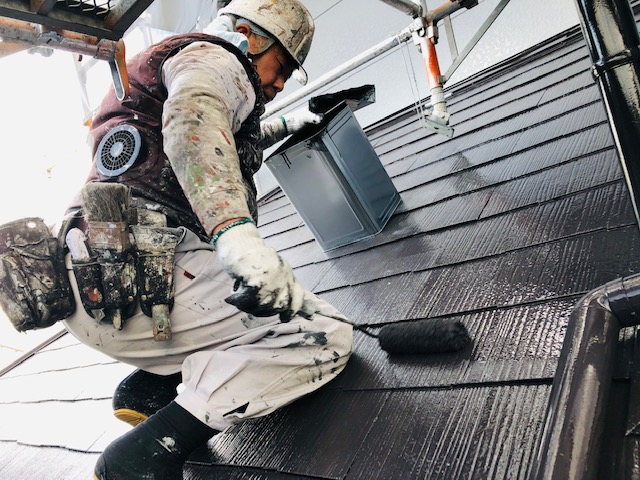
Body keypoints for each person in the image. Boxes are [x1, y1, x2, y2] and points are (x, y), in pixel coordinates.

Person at [57, 1, 354, 478]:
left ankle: (149, 390)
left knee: (234, 309)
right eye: (281, 65)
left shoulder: (168, 63)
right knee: (324, 334)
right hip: (149, 277)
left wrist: (289, 123)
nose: (280, 84)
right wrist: (238, 238)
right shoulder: (218, 57)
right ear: (247, 35)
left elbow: (212, 129)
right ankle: (140, 458)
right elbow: (193, 120)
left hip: (97, 282)